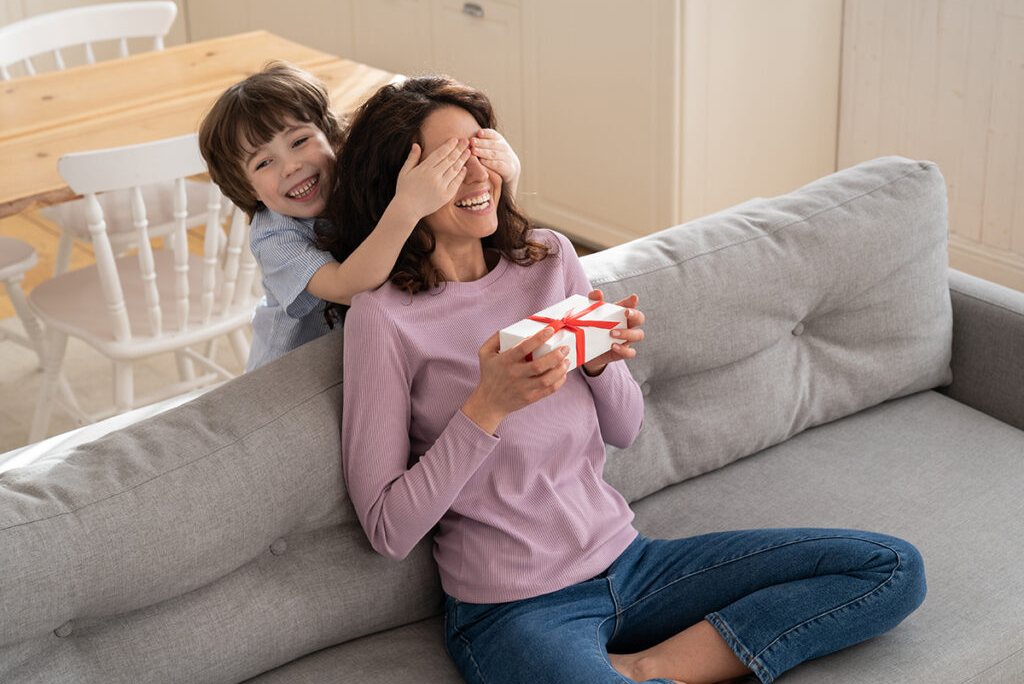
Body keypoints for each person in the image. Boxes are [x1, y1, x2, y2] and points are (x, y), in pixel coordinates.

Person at [324, 76, 927, 684]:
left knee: (891, 568)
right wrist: (487, 407)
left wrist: (600, 363)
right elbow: (389, 530)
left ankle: (646, 667)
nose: (479, 175)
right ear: (398, 183)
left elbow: (626, 428)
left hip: (632, 565)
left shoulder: (546, 260)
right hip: (513, 609)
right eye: (452, 162)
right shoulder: (384, 319)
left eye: (482, 149)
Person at [198, 61, 521, 370]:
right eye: (264, 163)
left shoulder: (352, 180)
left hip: (372, 348)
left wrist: (508, 176)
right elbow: (347, 287)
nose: (291, 166)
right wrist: (407, 207)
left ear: (332, 138)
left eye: (300, 141)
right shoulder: (274, 238)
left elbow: (474, 232)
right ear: (248, 188)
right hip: (298, 370)